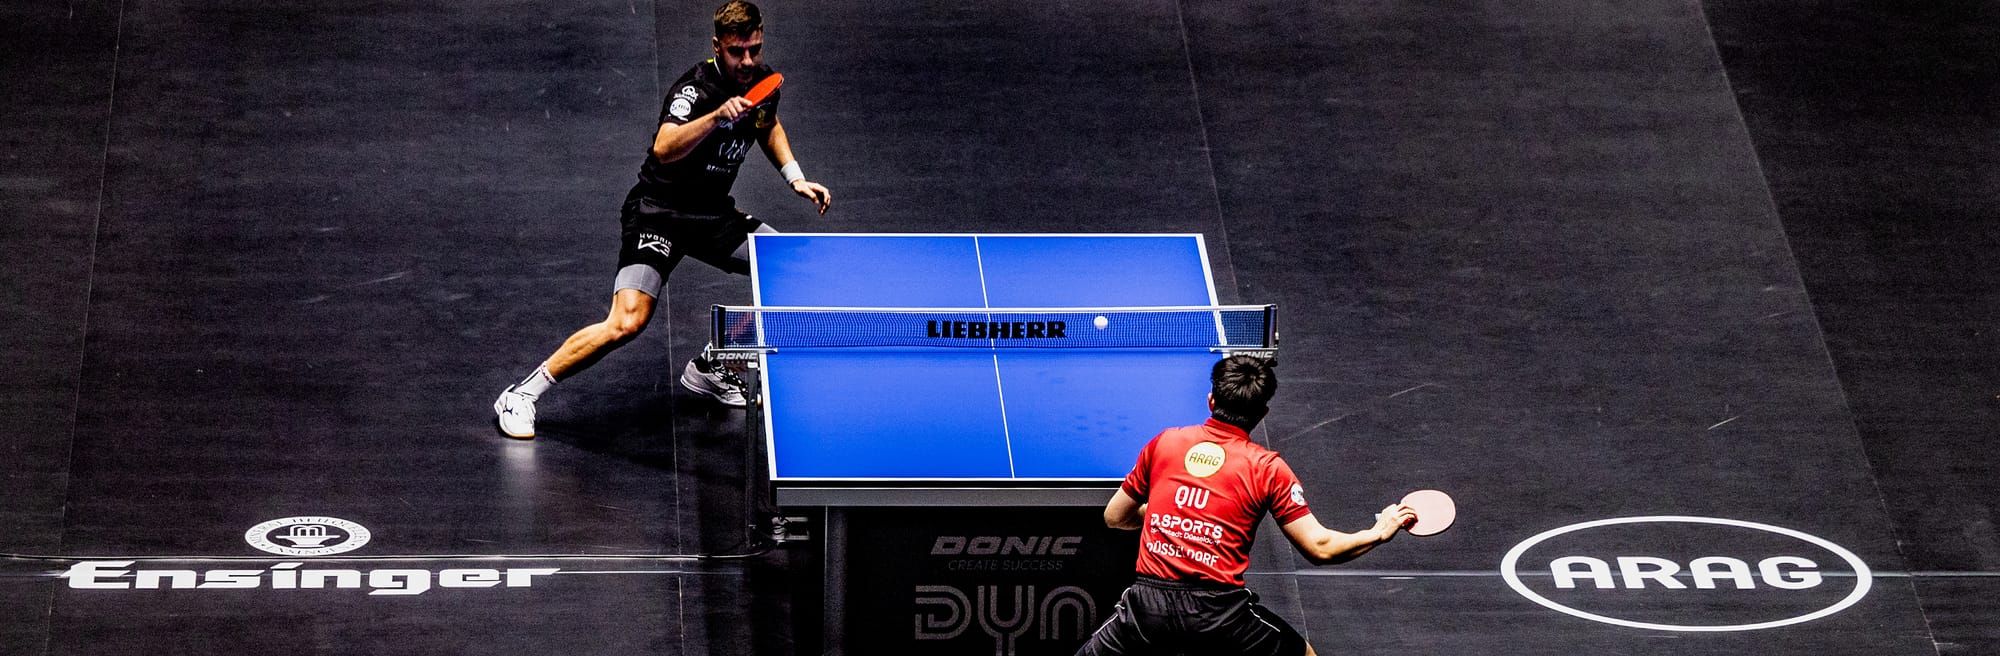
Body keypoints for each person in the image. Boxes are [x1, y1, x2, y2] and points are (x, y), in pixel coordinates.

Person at [493, 0, 831, 439]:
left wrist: (795, 177)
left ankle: (713, 364)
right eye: (736, 52)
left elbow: (767, 124)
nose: (747, 61)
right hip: (659, 213)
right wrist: (716, 117)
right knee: (627, 321)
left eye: (755, 49)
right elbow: (664, 147)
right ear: (717, 47)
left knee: (791, 268)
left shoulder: (763, 81)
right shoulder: (694, 91)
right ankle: (521, 394)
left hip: (711, 215)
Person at [1075, 355, 1418, 656]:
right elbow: (1320, 548)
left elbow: (1114, 516)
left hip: (1147, 609)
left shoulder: (1166, 443)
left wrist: (1167, 514)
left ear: (1211, 400)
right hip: (1218, 614)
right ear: (1263, 413)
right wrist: (1378, 531)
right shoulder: (1268, 468)